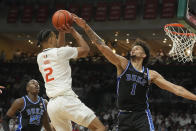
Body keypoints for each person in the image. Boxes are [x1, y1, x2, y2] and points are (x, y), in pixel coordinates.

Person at [73, 15, 196, 131]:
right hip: (123, 115)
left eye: (137, 48)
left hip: (141, 116)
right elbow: (102, 47)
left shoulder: (151, 74)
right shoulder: (123, 64)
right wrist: (86, 27)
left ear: (144, 55)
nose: (133, 49)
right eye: (133, 48)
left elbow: (176, 89)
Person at [36, 23, 105, 131]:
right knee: (99, 128)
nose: (57, 39)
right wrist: (73, 32)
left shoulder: (39, 57)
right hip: (66, 100)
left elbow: (58, 49)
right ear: (50, 39)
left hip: (52, 106)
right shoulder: (60, 52)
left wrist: (61, 32)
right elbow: (86, 50)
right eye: (55, 37)